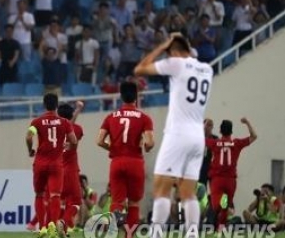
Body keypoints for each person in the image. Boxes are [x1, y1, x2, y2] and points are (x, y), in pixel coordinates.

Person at [134, 33, 214, 238]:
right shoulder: (207, 69)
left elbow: (140, 69)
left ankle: (156, 233)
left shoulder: (177, 63)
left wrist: (163, 46)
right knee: (188, 192)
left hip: (178, 134)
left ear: (174, 51)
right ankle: (193, 233)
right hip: (198, 137)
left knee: (161, 188)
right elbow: (190, 56)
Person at [97, 81, 155, 237]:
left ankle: (115, 218)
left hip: (117, 161)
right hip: (135, 162)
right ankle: (129, 235)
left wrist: (114, 149)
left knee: (117, 201)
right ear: (136, 96)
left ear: (121, 96)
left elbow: (99, 141)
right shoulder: (144, 118)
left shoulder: (111, 117)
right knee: (134, 203)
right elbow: (149, 143)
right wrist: (145, 146)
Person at [25, 93, 77, 238]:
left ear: (44, 105)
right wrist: (68, 145)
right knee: (55, 195)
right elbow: (73, 140)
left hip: (40, 164)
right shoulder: (65, 123)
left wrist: (30, 150)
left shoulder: (36, 122)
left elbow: (29, 136)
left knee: (39, 194)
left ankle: (42, 227)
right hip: (56, 165)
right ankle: (52, 225)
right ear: (57, 105)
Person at [205, 118, 257, 232]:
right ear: (231, 131)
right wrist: (247, 123)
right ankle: (221, 228)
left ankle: (220, 226)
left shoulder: (215, 143)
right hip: (230, 181)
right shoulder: (236, 143)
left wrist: (204, 126)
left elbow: (199, 139)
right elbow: (254, 136)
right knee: (225, 207)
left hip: (218, 179)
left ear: (220, 130)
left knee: (216, 206)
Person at [59, 101, 85, 235]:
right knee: (76, 201)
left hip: (56, 172)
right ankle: (63, 222)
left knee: (58, 201)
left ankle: (57, 228)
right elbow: (71, 127)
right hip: (70, 170)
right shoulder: (77, 129)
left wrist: (77, 110)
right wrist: (78, 108)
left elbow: (66, 124)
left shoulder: (53, 130)